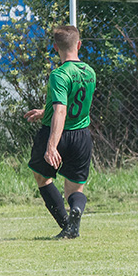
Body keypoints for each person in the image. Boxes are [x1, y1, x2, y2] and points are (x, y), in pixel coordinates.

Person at [24, 25, 96, 240]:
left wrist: (51, 146)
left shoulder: (59, 74)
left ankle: (66, 224)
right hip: (82, 136)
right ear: (79, 45)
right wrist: (44, 111)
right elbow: (72, 101)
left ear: (55, 47)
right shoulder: (90, 72)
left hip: (56, 133)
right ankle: (76, 213)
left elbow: (62, 110)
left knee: (42, 177)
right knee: (75, 189)